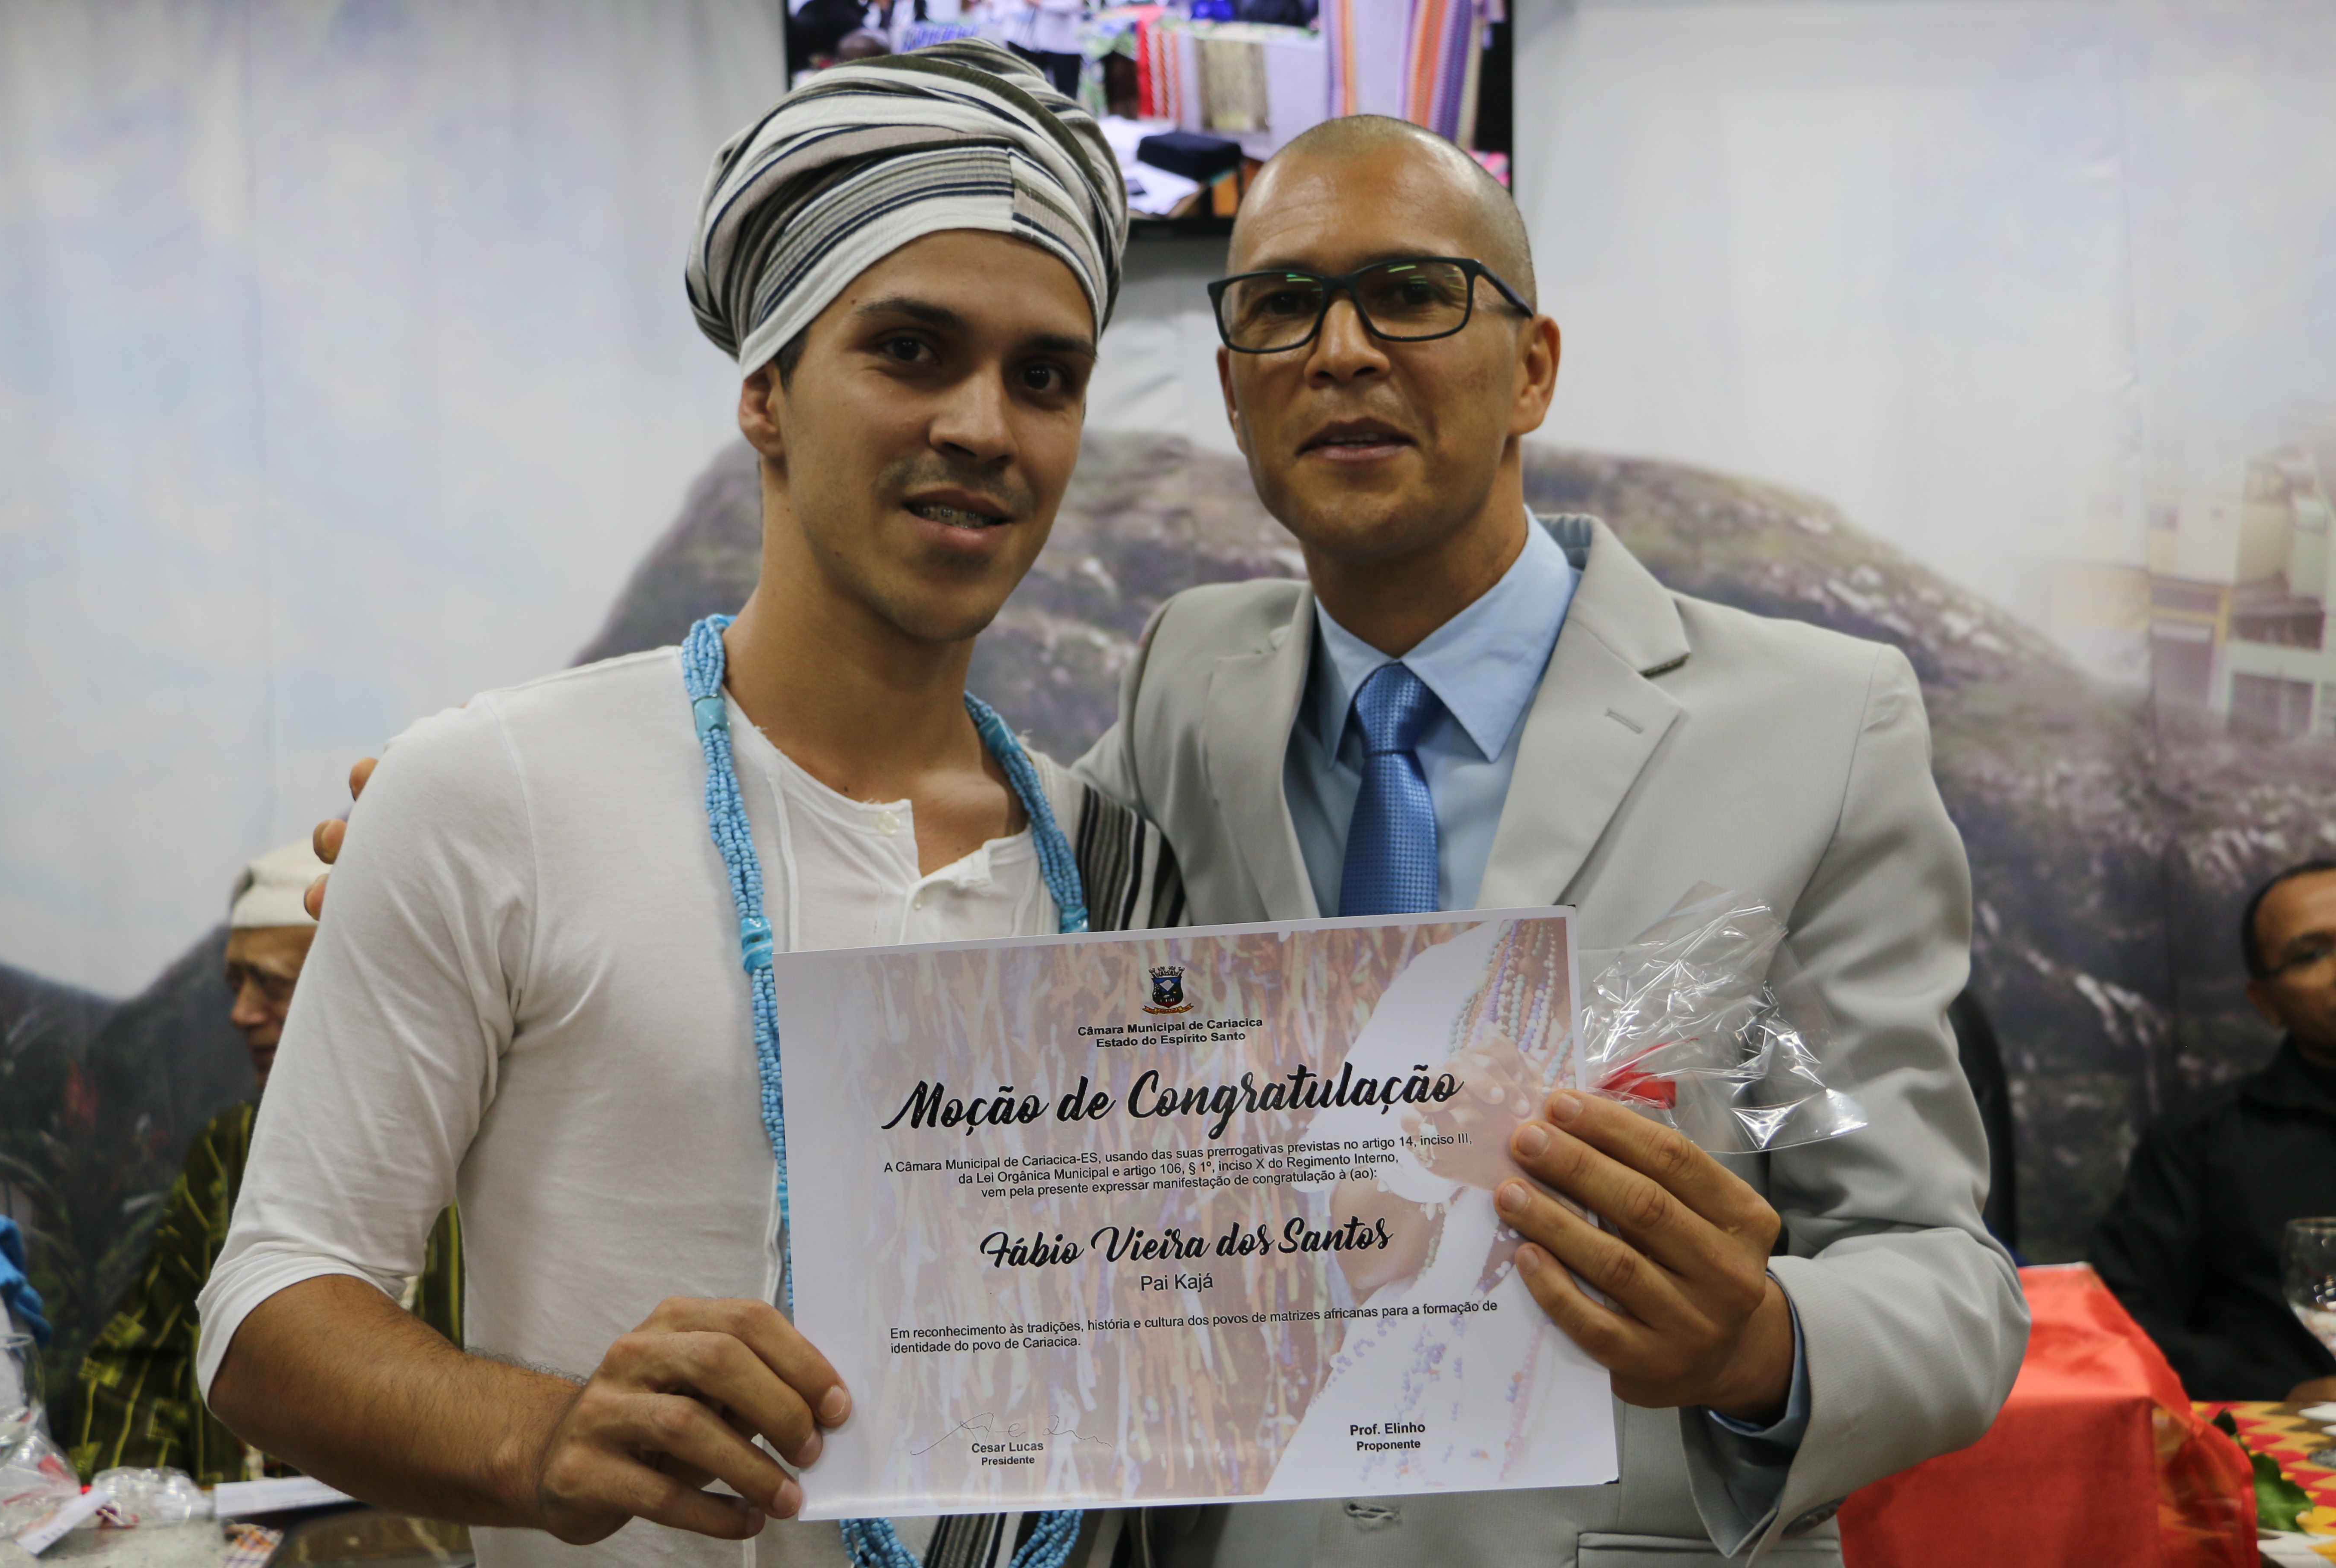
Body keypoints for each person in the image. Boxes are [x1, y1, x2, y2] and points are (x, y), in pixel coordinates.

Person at [199, 42, 1165, 1568]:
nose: (984, 425)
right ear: (765, 393)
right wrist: (546, 1437)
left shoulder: (1115, 864)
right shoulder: (499, 788)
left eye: (1044, 376)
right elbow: (268, 1313)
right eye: (911, 349)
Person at [1071, 115, 2028, 1564]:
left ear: (1532, 368)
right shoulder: (1182, 685)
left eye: (1410, 292)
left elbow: (1944, 1276)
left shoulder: (1818, 724)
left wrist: (1761, 1345)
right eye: (1283, 305)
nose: (1341, 350)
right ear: (1233, 389)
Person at [68, 842, 462, 1484]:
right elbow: (136, 1371)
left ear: (363, 987)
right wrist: (147, 1515)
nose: (241, 1013)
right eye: (236, 985)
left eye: (272, 985)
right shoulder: (229, 1148)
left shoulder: (479, 1146)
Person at [2094, 859, 2336, 1401]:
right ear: (2266, 1003)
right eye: (2311, 954)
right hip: (2285, 1434)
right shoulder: (2199, 1140)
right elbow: (2123, 1317)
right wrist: (2285, 1391)